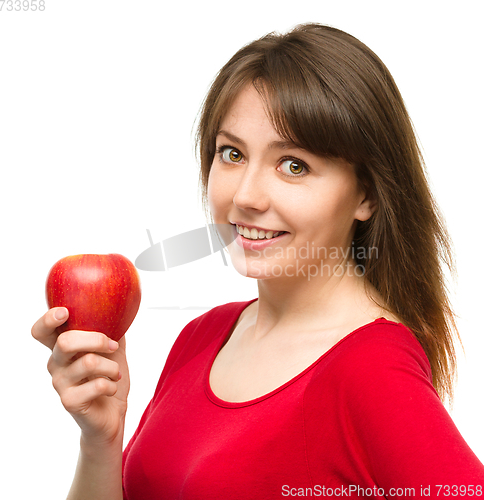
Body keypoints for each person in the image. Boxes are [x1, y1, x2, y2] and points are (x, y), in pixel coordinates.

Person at [32, 23, 484, 499]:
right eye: (231, 154)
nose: (245, 196)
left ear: (365, 194)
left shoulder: (371, 370)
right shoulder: (203, 337)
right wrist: (100, 441)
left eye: (294, 165)